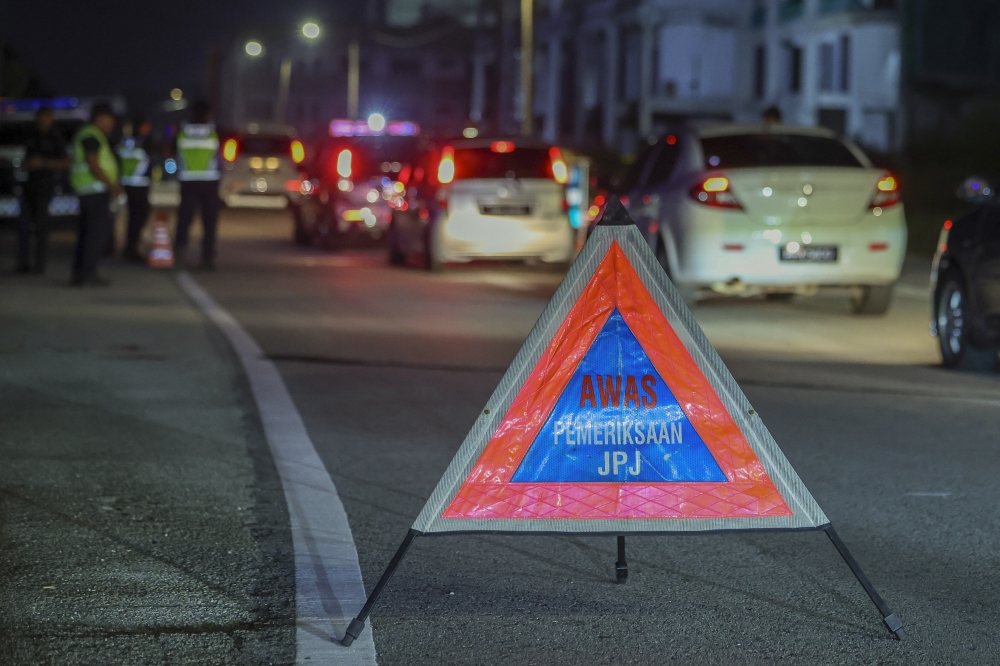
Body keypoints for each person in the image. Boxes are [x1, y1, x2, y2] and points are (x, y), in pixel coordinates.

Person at [70, 103, 120, 286]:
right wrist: (111, 186)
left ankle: (80, 274)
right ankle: (87, 273)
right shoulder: (91, 135)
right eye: (110, 121)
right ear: (100, 118)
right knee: (95, 236)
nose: (111, 125)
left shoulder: (88, 134)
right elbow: (93, 162)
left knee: (87, 234)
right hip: (94, 192)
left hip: (88, 192)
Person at [17, 106, 71, 274]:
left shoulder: (56, 137)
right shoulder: (31, 135)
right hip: (29, 184)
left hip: (45, 185)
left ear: (51, 118)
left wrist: (44, 163)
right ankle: (23, 264)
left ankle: (39, 266)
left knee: (41, 226)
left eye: (47, 117)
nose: (43, 120)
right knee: (23, 226)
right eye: (41, 117)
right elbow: (25, 160)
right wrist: (27, 165)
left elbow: (66, 162)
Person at [172, 100, 220, 270]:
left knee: (184, 220)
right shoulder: (214, 131)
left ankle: (178, 254)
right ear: (208, 113)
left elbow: (171, 150)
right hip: (209, 182)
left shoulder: (182, 130)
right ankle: (207, 259)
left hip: (188, 181)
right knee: (209, 223)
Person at [117, 116, 154, 262]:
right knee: (139, 216)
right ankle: (131, 248)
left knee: (133, 217)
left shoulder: (124, 142)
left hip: (127, 183)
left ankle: (129, 247)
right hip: (139, 185)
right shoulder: (144, 141)